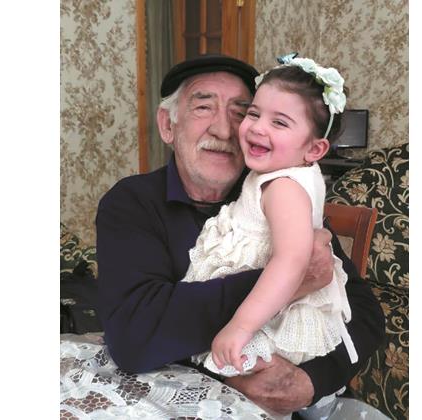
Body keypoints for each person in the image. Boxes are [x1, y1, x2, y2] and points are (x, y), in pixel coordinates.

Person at [95, 54, 385, 416]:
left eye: (239, 111)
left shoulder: (279, 193)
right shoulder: (131, 203)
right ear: (168, 125)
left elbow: (364, 311)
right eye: (204, 107)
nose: (224, 130)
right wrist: (290, 285)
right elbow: (134, 336)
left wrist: (310, 382)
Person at [182, 56, 358, 382]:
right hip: (262, 312)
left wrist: (241, 326)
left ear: (314, 150)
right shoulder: (284, 172)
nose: (258, 127)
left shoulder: (283, 187)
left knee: (236, 382)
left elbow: (291, 261)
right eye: (253, 113)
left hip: (269, 321)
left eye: (279, 123)